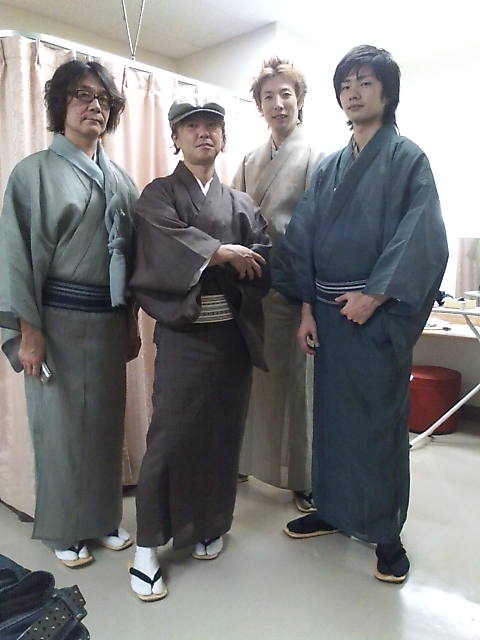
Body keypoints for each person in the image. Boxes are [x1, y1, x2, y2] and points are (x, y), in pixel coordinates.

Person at [272, 45, 448, 582]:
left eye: (365, 81)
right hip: (328, 315)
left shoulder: (408, 159)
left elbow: (420, 235)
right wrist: (307, 309)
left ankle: (386, 532)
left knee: (377, 423)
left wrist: (375, 296)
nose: (353, 92)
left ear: (387, 93)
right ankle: (331, 508)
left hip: (376, 317)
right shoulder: (330, 166)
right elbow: (305, 239)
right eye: (346, 83)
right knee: (331, 420)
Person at [128, 99, 271, 601]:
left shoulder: (241, 203)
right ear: (176, 137)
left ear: (223, 137)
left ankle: (210, 523)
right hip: (186, 335)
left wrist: (242, 258)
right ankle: (147, 545)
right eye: (192, 126)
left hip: (232, 336)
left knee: (222, 433)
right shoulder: (158, 194)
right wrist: (219, 252)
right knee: (170, 435)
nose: (203, 133)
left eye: (213, 125)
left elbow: (264, 256)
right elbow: (159, 241)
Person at [0, 60, 140, 567]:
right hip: (55, 322)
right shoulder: (32, 172)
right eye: (82, 95)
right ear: (60, 104)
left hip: (107, 322)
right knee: (59, 431)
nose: (94, 105)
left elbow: (132, 260)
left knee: (104, 427)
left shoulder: (122, 181)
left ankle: (102, 518)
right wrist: (29, 332)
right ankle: (64, 529)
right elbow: (16, 257)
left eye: (102, 98)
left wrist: (129, 323)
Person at [232, 56, 323, 511]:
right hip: (251, 287)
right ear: (259, 106)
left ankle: (302, 477)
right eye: (268, 96)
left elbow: (319, 232)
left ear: (299, 99)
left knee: (296, 387)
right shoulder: (249, 160)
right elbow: (233, 215)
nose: (278, 103)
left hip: (293, 287)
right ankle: (244, 460)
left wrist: (309, 302)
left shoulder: (317, 157)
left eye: (286, 93)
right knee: (249, 379)